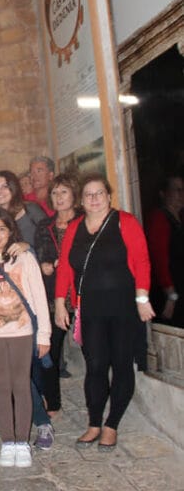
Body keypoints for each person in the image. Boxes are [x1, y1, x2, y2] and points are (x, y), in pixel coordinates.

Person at [55, 174, 154, 450]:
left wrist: (142, 297)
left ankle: (112, 425)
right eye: (88, 194)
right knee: (95, 366)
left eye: (99, 193)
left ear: (109, 197)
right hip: (91, 310)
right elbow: (65, 267)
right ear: (82, 200)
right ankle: (94, 422)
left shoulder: (125, 221)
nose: (94, 198)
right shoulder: (74, 228)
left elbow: (142, 260)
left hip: (123, 307)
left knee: (122, 364)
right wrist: (60, 303)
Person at [0, 208, 51, 468]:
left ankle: (22, 441)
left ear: (11, 232)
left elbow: (39, 297)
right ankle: (8, 441)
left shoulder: (25, 259)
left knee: (21, 385)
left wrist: (45, 335)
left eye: (2, 229)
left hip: (22, 332)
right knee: (2, 385)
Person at [0, 170, 53, 448]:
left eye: (5, 186)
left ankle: (41, 422)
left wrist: (28, 247)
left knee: (28, 371)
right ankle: (34, 420)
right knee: (17, 374)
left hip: (30, 298)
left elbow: (49, 240)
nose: (1, 191)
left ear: (14, 188)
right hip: (2, 305)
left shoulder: (30, 211)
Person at [35, 173, 81, 417]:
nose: (59, 197)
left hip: (83, 294)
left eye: (64, 192)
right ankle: (52, 402)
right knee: (50, 351)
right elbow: (40, 255)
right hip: (55, 296)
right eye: (55, 193)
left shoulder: (85, 222)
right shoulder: (46, 225)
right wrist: (45, 264)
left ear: (74, 194)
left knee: (93, 351)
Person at [145, 173, 184, 327]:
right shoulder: (159, 219)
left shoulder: (180, 217)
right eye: (177, 190)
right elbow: (158, 260)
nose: (182, 195)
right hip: (170, 294)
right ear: (163, 194)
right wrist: (171, 295)